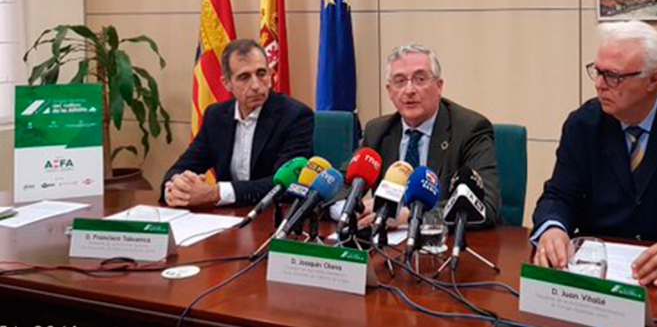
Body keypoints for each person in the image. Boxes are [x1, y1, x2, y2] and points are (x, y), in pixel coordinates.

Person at [531, 21, 657, 286]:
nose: (600, 85)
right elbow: (560, 195)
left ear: (654, 79)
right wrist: (553, 228)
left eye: (613, 76)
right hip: (596, 277)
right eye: (598, 72)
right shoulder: (584, 124)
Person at [350, 43, 501, 229]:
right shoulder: (377, 131)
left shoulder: (470, 129)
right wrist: (350, 207)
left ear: (439, 86)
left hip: (443, 247)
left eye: (420, 79)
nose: (409, 90)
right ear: (389, 91)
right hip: (386, 245)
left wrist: (410, 214)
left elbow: (485, 206)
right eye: (399, 81)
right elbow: (343, 186)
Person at [162, 39, 313, 208]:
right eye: (244, 77)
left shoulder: (295, 116)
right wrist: (176, 188)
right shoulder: (216, 116)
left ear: (271, 75)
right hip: (226, 219)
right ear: (227, 83)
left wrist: (215, 193)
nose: (256, 85)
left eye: (261, 73)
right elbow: (181, 168)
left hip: (271, 216)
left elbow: (284, 185)